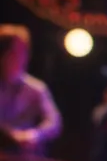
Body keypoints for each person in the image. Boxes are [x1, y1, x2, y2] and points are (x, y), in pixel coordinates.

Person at [0, 25, 61, 153]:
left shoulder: (36, 89)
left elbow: (54, 123)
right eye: (12, 52)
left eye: (23, 52)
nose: (20, 57)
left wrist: (33, 135)